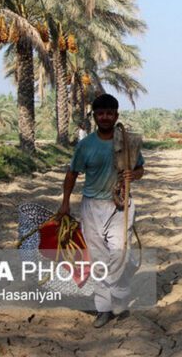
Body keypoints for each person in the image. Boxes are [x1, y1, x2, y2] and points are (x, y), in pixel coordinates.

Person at [58, 93, 145, 328]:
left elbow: (140, 169)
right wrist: (65, 203)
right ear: (95, 116)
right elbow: (72, 174)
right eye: (100, 113)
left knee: (119, 253)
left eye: (109, 113)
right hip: (91, 207)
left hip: (120, 206)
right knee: (97, 258)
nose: (105, 117)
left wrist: (132, 175)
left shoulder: (126, 141)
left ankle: (118, 294)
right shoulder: (86, 145)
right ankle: (103, 309)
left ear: (116, 115)